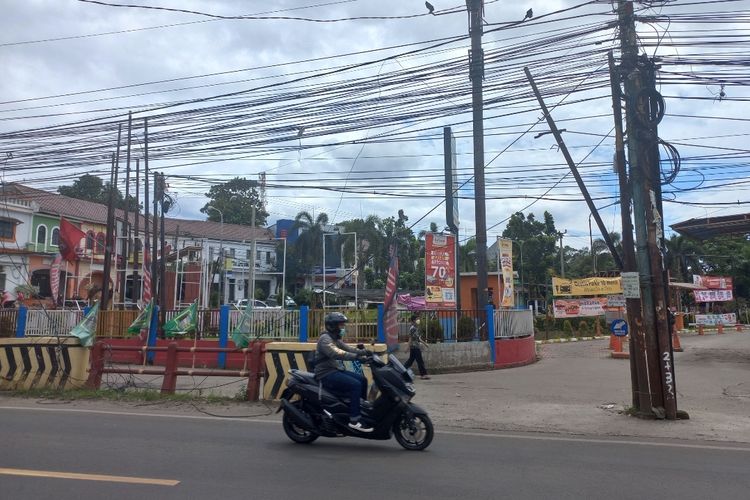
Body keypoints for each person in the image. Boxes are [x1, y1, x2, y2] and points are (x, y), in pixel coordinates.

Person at [314, 312, 373, 433]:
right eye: (340, 325)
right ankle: (354, 421)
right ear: (332, 326)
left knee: (363, 380)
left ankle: (359, 409)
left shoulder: (334, 338)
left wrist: (365, 352)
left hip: (334, 370)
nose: (342, 328)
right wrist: (357, 358)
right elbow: (338, 353)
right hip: (326, 374)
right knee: (355, 385)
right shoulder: (325, 339)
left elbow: (347, 348)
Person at [405, 314, 430, 380]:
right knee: (420, 361)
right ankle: (423, 375)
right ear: (413, 320)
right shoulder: (412, 328)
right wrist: (407, 347)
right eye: (417, 319)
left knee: (410, 360)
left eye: (418, 319)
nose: (418, 320)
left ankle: (403, 370)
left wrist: (425, 344)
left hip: (415, 346)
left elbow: (418, 338)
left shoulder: (415, 328)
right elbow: (410, 338)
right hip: (414, 347)